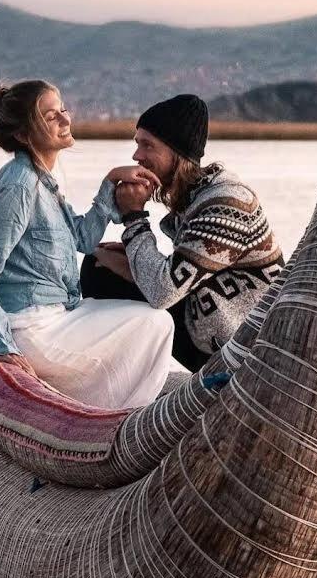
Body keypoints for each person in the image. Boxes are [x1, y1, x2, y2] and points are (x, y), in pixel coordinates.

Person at [0, 79, 174, 409]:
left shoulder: (44, 181)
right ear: (23, 135)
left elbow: (83, 238)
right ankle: (117, 418)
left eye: (63, 110)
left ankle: (110, 408)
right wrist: (1, 345)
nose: (65, 119)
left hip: (59, 314)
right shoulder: (19, 185)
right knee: (157, 322)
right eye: (51, 117)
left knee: (154, 318)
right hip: (31, 327)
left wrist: (111, 183)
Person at [81, 94, 284, 372]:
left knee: (100, 270)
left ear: (177, 153)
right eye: (137, 143)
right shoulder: (197, 197)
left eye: (147, 145)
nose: (136, 156)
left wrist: (134, 218)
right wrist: (133, 256)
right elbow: (185, 275)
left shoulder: (226, 203)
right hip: (207, 323)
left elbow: (163, 292)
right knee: (99, 260)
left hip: (244, 352)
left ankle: (119, 379)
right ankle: (113, 374)